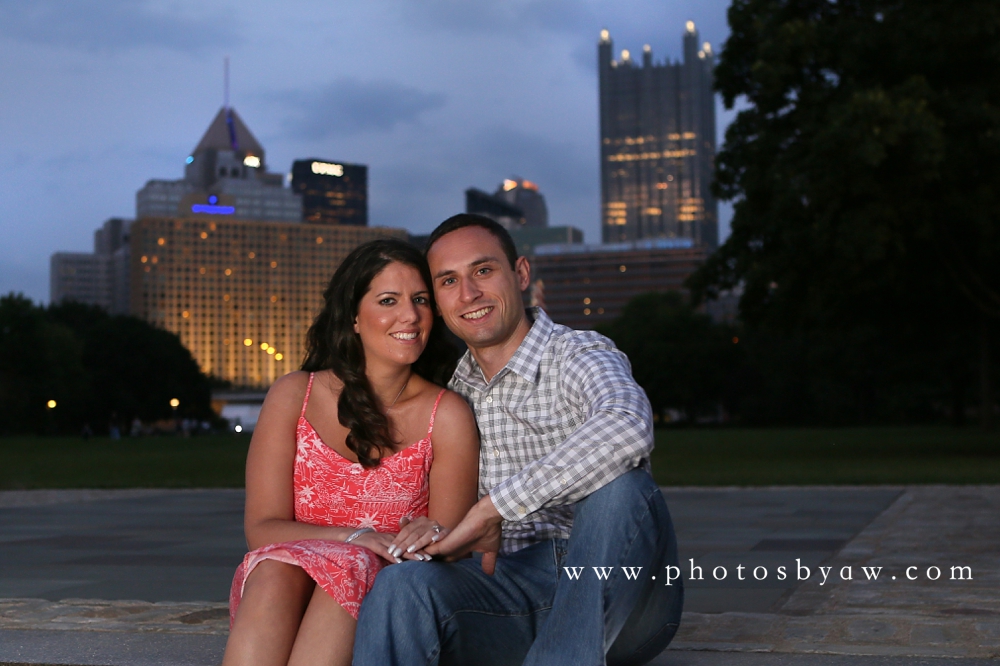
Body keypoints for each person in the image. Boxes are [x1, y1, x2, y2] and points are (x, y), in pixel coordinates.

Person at [353, 215, 683, 666]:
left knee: (622, 489)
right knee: (400, 586)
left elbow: (627, 424)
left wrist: (495, 508)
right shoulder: (452, 394)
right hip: (511, 590)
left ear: (521, 274)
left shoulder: (578, 353)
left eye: (483, 271)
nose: (468, 294)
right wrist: (433, 527)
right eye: (449, 281)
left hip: (619, 593)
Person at [222, 239, 480, 666]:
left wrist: (430, 536)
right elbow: (261, 529)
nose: (410, 315)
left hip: (387, 597)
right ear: (354, 318)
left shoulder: (446, 415)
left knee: (353, 567)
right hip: (286, 588)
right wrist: (355, 539)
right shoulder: (294, 394)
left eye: (420, 300)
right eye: (388, 300)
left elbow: (449, 547)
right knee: (273, 569)